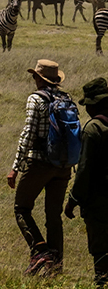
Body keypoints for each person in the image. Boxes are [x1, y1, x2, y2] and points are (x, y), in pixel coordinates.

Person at [6, 59, 72, 276]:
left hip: (39, 163)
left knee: (22, 208)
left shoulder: (36, 99)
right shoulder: (66, 98)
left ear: (38, 78)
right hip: (63, 165)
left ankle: (40, 250)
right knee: (53, 215)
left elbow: (28, 134)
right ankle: (56, 266)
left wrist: (16, 167)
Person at [65, 77, 108, 286]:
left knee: (100, 246)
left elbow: (84, 171)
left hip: (99, 200)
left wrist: (73, 199)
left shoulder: (93, 129)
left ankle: (102, 281)